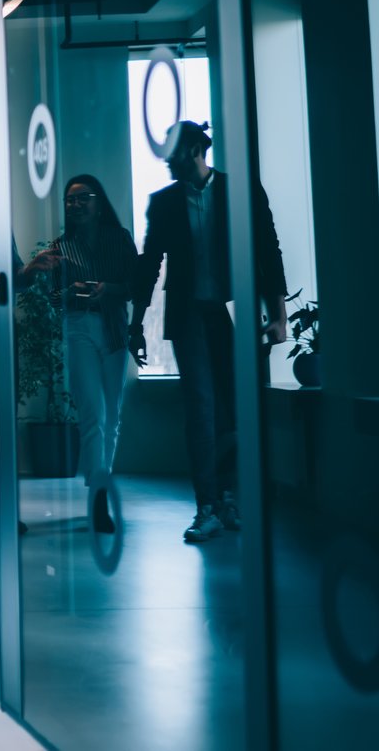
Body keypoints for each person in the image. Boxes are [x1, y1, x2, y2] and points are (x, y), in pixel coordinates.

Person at [130, 121, 287, 544]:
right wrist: (136, 323)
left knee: (235, 409)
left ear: (197, 149)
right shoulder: (164, 203)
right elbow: (149, 265)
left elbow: (267, 250)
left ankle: (230, 499)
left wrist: (279, 315)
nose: (167, 161)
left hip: (233, 313)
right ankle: (207, 506)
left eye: (173, 153)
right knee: (200, 409)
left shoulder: (241, 191)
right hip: (189, 317)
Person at [23, 174, 138, 533]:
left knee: (112, 416)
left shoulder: (119, 239)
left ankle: (101, 480)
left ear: (98, 203)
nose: (75, 205)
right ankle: (99, 496)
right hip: (78, 326)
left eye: (83, 198)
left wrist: (109, 289)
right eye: (70, 200)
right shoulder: (60, 247)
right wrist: (71, 291)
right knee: (92, 413)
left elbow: (135, 285)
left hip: (114, 327)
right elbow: (53, 298)